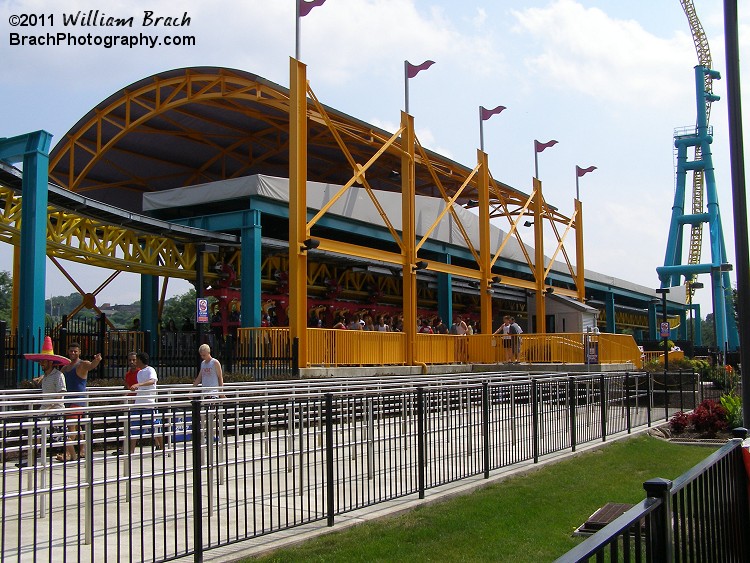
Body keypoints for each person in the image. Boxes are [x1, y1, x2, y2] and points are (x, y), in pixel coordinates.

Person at [23, 337, 70, 465]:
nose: (41, 363)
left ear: (50, 362)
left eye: (43, 361)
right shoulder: (46, 376)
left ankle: (72, 455)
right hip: (44, 411)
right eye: (40, 361)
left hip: (55, 410)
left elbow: (61, 394)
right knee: (36, 434)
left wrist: (50, 407)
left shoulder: (59, 375)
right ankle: (30, 460)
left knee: (63, 437)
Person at [62, 341, 102, 460]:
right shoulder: (65, 367)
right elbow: (57, 375)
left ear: (79, 352)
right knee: (77, 427)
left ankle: (68, 453)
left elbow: (91, 366)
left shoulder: (82, 364)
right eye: (71, 351)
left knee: (71, 427)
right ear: (68, 352)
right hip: (67, 401)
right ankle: (82, 449)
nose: (73, 353)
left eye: (75, 351)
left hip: (78, 401)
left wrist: (97, 360)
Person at [127, 352, 163, 454]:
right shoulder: (139, 373)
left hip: (149, 405)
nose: (135, 362)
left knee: (154, 428)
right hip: (138, 404)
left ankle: (162, 448)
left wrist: (139, 384)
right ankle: (131, 451)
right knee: (134, 428)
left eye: (136, 360)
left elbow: (152, 381)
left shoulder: (150, 370)